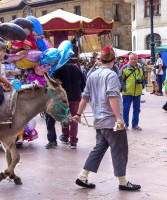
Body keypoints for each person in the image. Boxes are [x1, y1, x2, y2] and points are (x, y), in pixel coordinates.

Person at [73, 46, 141, 191]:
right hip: (111, 121)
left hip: (99, 121)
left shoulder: (93, 75)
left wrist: (78, 114)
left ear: (100, 59)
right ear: (114, 60)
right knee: (120, 150)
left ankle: (82, 176)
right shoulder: (111, 75)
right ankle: (122, 182)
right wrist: (119, 119)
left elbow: (85, 96)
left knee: (98, 149)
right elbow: (112, 97)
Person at [45, 59, 86, 149]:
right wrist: (80, 90)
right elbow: (83, 81)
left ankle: (65, 136)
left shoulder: (58, 69)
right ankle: (73, 141)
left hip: (63, 98)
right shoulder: (76, 68)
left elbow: (53, 84)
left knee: (64, 116)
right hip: (75, 96)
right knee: (74, 118)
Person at [119, 53, 145, 131]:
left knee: (137, 109)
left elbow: (143, 78)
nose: (133, 60)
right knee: (126, 109)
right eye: (132, 59)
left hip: (137, 92)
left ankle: (135, 125)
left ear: (137, 60)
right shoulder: (124, 68)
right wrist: (124, 87)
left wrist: (142, 85)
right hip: (127, 93)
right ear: (129, 59)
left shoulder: (140, 68)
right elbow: (120, 79)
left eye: (135, 59)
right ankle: (125, 125)